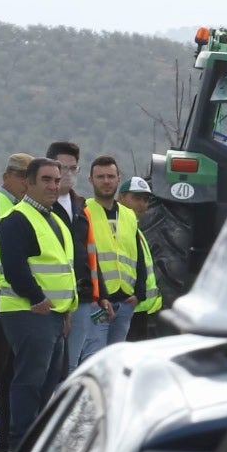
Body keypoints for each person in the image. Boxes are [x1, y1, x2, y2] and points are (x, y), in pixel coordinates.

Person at [0, 156, 75, 442]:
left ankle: (33, 445)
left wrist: (65, 311)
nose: (53, 185)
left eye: (56, 179)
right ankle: (19, 446)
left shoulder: (54, 220)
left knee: (48, 382)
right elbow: (14, 266)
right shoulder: (17, 219)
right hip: (28, 310)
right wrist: (38, 299)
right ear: (28, 183)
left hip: (53, 314)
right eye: (46, 180)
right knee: (29, 381)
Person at [67, 154, 143, 363]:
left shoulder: (128, 215)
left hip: (125, 301)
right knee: (93, 358)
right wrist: (90, 296)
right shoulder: (83, 212)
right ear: (91, 180)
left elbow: (139, 254)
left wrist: (139, 293)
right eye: (100, 177)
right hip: (98, 303)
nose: (106, 181)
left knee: (115, 363)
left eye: (111, 176)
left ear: (119, 178)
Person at [125, 172, 192, 318]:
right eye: (136, 199)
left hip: (142, 308)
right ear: (121, 198)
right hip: (129, 309)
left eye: (145, 200)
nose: (142, 205)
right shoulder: (121, 230)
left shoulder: (136, 231)